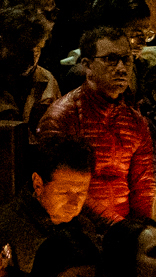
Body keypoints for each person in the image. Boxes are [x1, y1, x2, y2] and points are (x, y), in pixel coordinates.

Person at [34, 25, 155, 224]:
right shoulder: (62, 117)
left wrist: (144, 228)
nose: (121, 68)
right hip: (75, 225)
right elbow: (63, 190)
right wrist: (123, 228)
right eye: (110, 59)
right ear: (87, 65)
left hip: (125, 229)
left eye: (126, 59)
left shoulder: (135, 121)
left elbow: (143, 186)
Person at [0, 134, 105, 277]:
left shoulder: (85, 230)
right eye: (64, 192)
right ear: (38, 184)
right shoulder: (4, 231)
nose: (74, 203)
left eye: (81, 193)